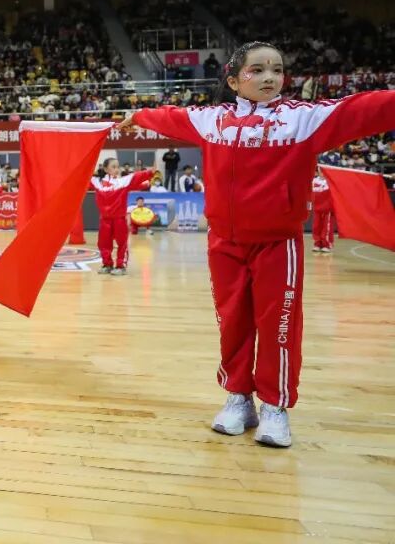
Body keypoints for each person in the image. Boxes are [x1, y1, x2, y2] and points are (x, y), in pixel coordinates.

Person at [119, 40, 395, 447]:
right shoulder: (211, 120)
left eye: (277, 70)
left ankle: (275, 406)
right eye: (258, 70)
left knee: (278, 326)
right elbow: (171, 116)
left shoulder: (304, 119)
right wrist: (139, 116)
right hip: (224, 243)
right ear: (233, 80)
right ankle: (238, 397)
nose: (270, 77)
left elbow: (365, 107)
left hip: (277, 244)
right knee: (232, 323)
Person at [90, 159, 153, 275]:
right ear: (105, 169)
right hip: (105, 219)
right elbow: (81, 179)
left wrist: (150, 172)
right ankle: (107, 264)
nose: (117, 169)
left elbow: (137, 177)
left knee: (122, 242)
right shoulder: (96, 182)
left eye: (117, 167)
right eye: (113, 167)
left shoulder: (123, 181)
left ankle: (120, 265)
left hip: (119, 219)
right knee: (104, 243)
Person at [311, 169, 334, 253]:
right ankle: (317, 244)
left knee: (326, 228)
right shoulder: (314, 181)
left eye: (323, 171)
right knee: (316, 227)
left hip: (328, 209)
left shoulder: (330, 181)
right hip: (317, 208)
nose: (322, 173)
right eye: (320, 171)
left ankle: (326, 244)